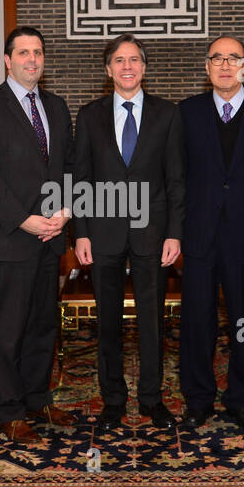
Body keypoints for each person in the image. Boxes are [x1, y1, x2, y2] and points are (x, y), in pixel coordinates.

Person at [0, 26, 75, 444]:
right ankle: (8, 409)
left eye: (39, 53)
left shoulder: (57, 106)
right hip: (9, 237)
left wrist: (64, 212)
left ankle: (37, 398)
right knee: (8, 328)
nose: (32, 59)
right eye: (23, 52)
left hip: (51, 236)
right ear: (7, 60)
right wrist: (23, 219)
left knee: (43, 324)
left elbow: (68, 166)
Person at [73, 34, 186, 431]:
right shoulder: (88, 115)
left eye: (134, 59)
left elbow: (175, 179)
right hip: (102, 233)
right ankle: (113, 401)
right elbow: (80, 178)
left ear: (144, 67)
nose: (127, 66)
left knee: (152, 321)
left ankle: (152, 399)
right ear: (108, 70)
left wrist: (174, 233)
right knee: (107, 321)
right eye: (119, 60)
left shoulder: (168, 115)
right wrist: (81, 233)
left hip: (151, 234)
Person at [178, 36, 244, 432]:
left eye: (233, 58)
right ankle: (199, 398)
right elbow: (178, 176)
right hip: (200, 235)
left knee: (243, 322)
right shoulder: (186, 113)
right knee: (197, 321)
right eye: (217, 59)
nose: (225, 65)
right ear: (206, 67)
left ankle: (240, 398)